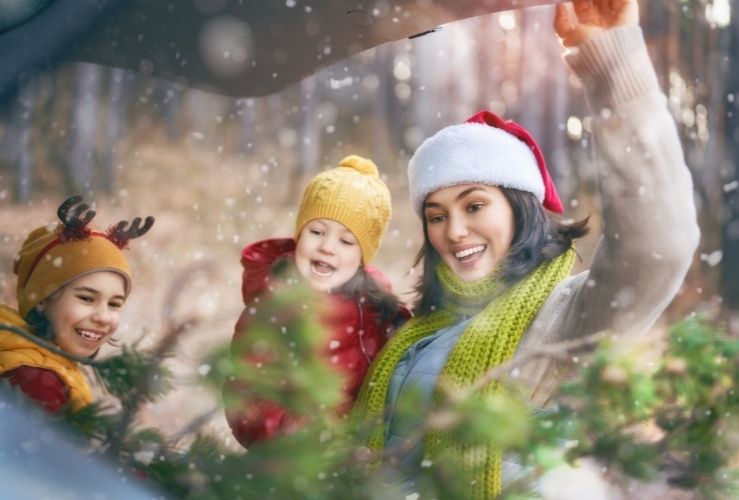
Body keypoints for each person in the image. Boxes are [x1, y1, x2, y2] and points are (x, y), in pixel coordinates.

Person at [352, 0, 700, 497]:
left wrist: (614, 65)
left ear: (519, 209)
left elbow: (659, 245)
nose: (454, 231)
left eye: (474, 206)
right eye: (437, 215)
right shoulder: (413, 334)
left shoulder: (568, 318)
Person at [224, 155, 410, 448]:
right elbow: (248, 397)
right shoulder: (274, 305)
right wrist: (310, 437)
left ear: (363, 257)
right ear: (300, 234)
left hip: (359, 458)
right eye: (317, 232)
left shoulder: (375, 306)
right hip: (294, 462)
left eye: (346, 241)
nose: (327, 247)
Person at [0, 196, 154, 413]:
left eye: (114, 304)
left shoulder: (51, 367)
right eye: (87, 298)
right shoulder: (36, 382)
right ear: (42, 299)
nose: (103, 316)